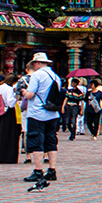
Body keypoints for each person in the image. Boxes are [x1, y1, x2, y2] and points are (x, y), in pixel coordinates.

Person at [21, 52, 63, 183]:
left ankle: (38, 170)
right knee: (51, 140)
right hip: (52, 113)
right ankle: (52, 169)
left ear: (37, 63)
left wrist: (24, 92)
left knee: (36, 140)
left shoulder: (37, 75)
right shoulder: (55, 76)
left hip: (37, 113)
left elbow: (30, 94)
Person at [0, 74, 20, 164]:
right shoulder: (10, 89)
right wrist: (16, 97)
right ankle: (9, 156)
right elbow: (10, 102)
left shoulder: (0, 87)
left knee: (0, 134)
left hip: (1, 112)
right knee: (10, 135)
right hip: (9, 112)